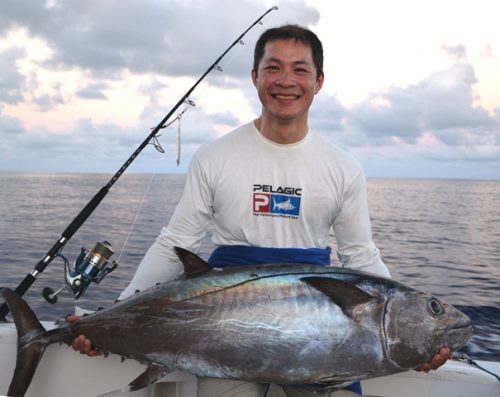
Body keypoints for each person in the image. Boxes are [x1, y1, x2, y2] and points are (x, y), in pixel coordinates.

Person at [71, 24, 451, 396]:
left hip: (318, 318)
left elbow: (361, 255)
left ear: (318, 81)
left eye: (299, 69)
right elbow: (176, 240)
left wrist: (411, 333)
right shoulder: (215, 156)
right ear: (255, 77)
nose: (286, 80)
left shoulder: (343, 168)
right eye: (273, 67)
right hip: (222, 314)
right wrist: (116, 313)